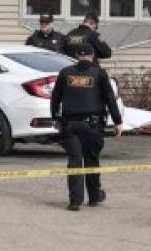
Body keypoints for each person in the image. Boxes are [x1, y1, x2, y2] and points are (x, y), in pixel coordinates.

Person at [50, 42, 123, 211]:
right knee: (92, 160)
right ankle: (94, 195)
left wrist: (55, 118)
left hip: (70, 125)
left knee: (74, 161)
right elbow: (110, 99)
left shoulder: (65, 73)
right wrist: (118, 122)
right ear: (92, 56)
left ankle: (75, 201)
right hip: (92, 125)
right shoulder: (100, 74)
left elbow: (55, 97)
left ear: (77, 56)